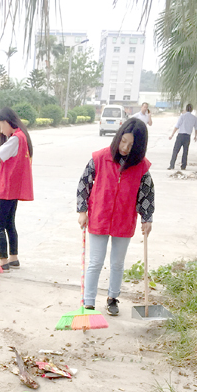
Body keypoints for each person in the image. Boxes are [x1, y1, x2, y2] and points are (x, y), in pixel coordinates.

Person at [77, 117, 154, 317]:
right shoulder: (100, 158)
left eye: (131, 145)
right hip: (99, 216)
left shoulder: (141, 167)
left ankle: (112, 298)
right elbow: (84, 184)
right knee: (95, 261)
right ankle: (89, 302)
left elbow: (146, 193)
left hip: (124, 219)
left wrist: (147, 218)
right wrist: (82, 211)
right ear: (118, 136)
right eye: (123, 141)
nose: (125, 148)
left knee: (117, 263)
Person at [0, 107, 33, 271]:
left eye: (1, 125)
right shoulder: (23, 137)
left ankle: (3, 261)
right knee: (9, 223)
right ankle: (14, 258)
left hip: (6, 189)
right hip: (14, 190)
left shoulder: (15, 138)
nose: (1, 130)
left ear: (7, 122)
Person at [168, 103, 197, 170]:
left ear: (186, 109)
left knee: (175, 150)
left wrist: (172, 135)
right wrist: (195, 136)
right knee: (185, 151)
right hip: (187, 136)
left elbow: (177, 126)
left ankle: (172, 165)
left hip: (180, 135)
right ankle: (183, 166)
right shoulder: (194, 118)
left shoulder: (182, 116)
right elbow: (196, 128)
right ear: (192, 110)